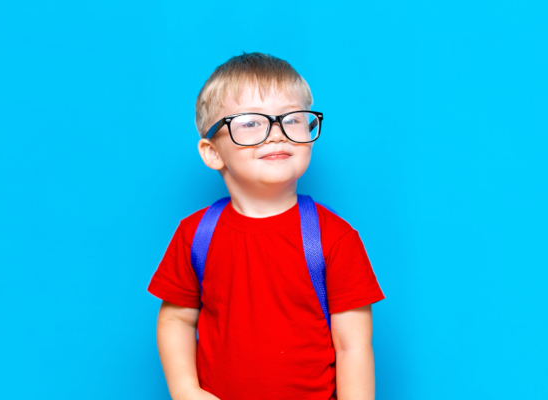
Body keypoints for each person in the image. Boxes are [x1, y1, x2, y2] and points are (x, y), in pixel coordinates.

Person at [147, 52, 385, 400]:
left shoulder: (333, 237)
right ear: (213, 152)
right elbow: (176, 320)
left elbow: (354, 346)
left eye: (292, 119)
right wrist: (185, 390)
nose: (277, 133)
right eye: (250, 122)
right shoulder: (195, 235)